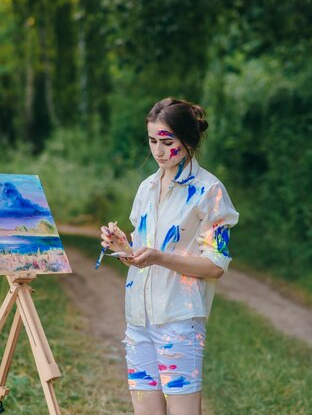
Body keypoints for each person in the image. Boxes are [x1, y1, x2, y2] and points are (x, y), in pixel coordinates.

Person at [100, 97, 239, 415]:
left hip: (180, 319)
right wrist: (122, 245)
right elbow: (141, 252)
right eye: (152, 141)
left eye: (167, 141)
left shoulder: (209, 192)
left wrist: (159, 257)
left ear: (188, 140)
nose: (158, 151)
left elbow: (215, 265)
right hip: (138, 320)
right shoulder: (146, 188)